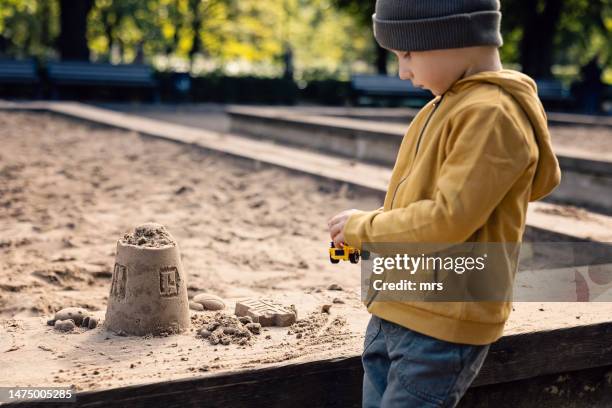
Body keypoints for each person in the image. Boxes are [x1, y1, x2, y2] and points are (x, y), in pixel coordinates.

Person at [327, 1, 562, 407]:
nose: (404, 71)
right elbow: (429, 205)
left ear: (449, 37)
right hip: (399, 306)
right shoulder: (451, 103)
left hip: (441, 324)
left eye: (407, 54)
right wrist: (374, 232)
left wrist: (364, 228)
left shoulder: (491, 114)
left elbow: (448, 220)